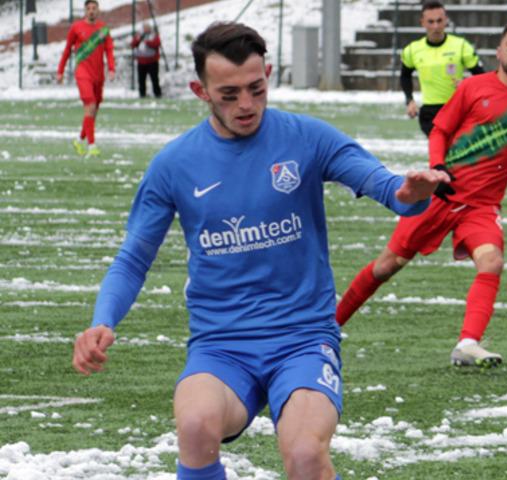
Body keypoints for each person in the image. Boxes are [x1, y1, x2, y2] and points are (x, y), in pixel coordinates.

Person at [71, 22, 448, 480]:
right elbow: (133, 258)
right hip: (221, 345)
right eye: (228, 94)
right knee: (194, 426)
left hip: (303, 339)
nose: (246, 105)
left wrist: (410, 192)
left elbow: (386, 187)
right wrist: (102, 321)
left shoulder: (306, 137)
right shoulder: (174, 164)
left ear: (267, 74)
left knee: (306, 456)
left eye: (256, 88)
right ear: (200, 90)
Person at [337, 17, 507, 368]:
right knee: (386, 266)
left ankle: (467, 344)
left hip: (481, 207)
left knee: (492, 261)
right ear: (499, 50)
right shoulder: (472, 88)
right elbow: (439, 130)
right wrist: (438, 169)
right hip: (442, 196)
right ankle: (330, 326)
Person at [401, 0, 484, 136]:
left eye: (440, 21)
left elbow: (482, 77)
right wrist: (409, 100)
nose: (436, 26)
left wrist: (467, 85)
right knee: (441, 152)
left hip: (457, 109)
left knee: (453, 154)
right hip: (430, 113)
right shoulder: (413, 50)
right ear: (422, 23)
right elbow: (405, 75)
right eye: (431, 22)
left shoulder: (461, 46)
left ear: (446, 20)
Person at [57, 0, 115, 158]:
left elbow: (109, 50)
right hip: (82, 73)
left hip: (98, 74)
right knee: (90, 104)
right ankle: (92, 145)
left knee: (94, 110)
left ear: (98, 10)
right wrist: (60, 70)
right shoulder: (76, 27)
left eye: (94, 8)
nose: (91, 11)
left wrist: (111, 68)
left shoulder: (103, 30)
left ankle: (79, 139)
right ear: (84, 11)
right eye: (88, 8)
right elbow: (67, 50)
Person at [132, 22, 162, 98]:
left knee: (154, 78)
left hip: (152, 61)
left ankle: (157, 94)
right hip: (141, 61)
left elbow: (157, 44)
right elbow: (133, 44)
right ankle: (142, 94)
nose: (145, 29)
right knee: (141, 79)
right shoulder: (139, 35)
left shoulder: (154, 35)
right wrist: (138, 40)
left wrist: (147, 42)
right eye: (144, 28)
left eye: (147, 28)